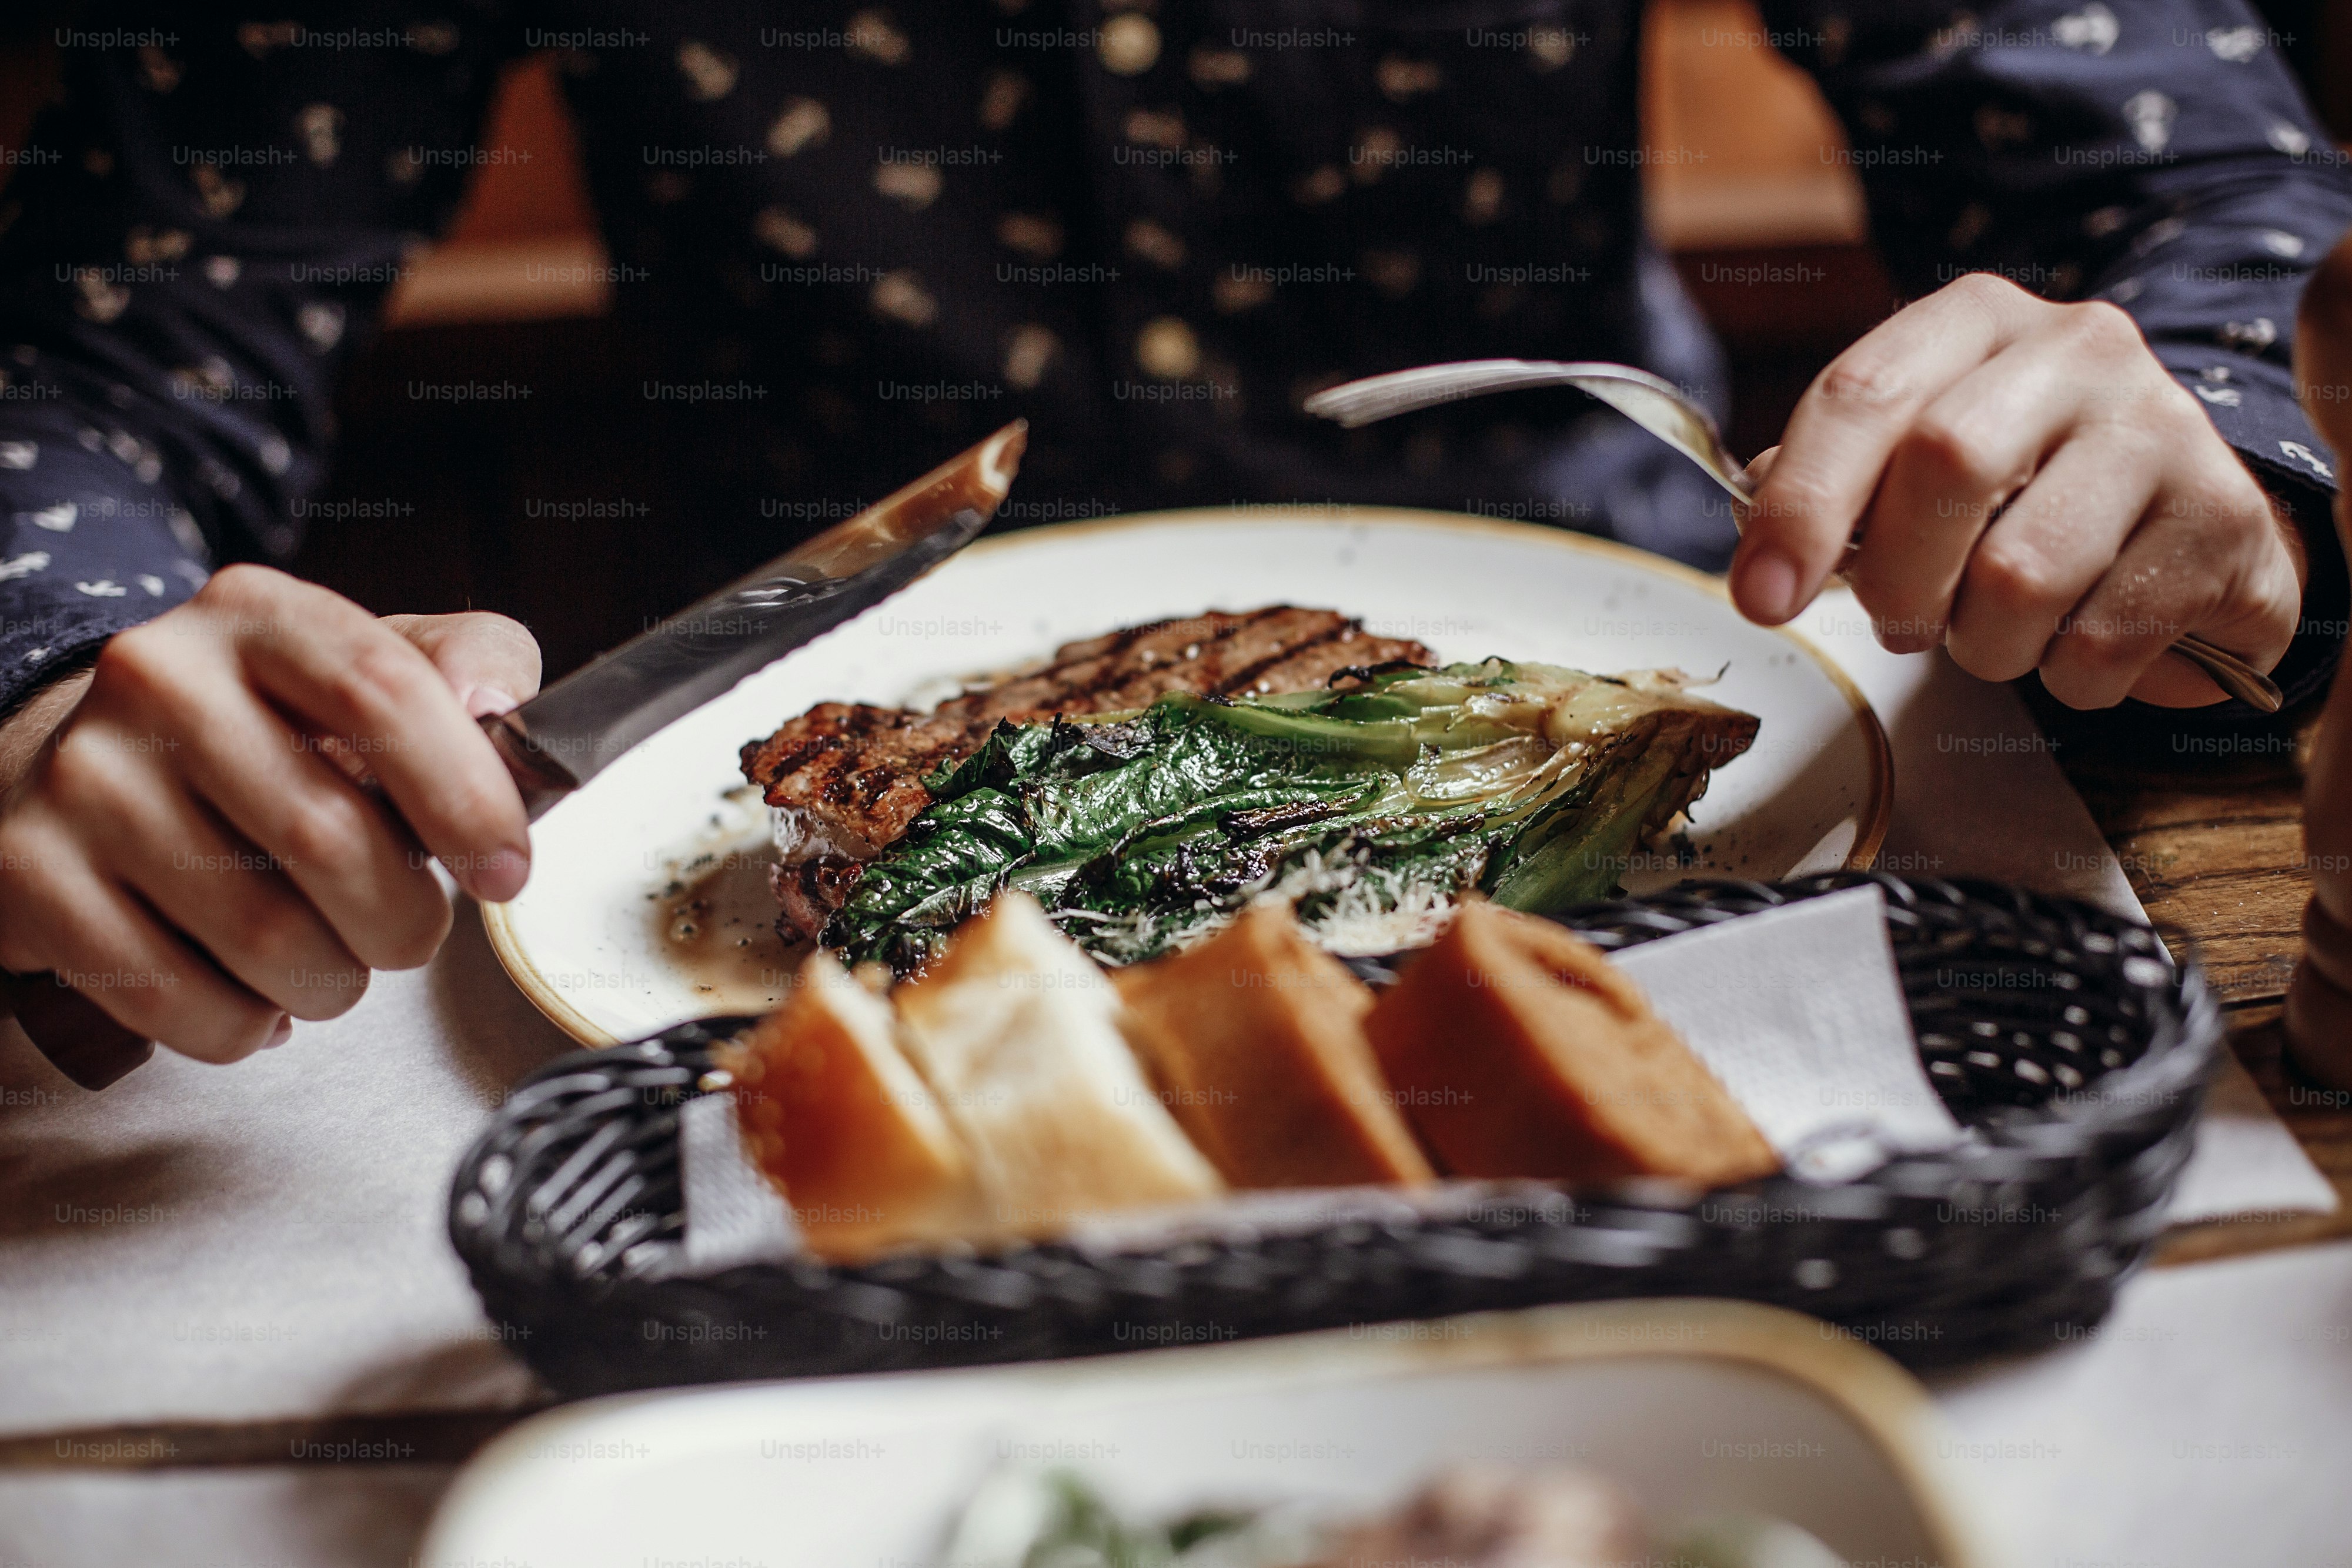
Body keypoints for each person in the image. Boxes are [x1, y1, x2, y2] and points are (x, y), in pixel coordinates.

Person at [1, 1, 2346, 1065]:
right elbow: (86, 362)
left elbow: (2204, 185)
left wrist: (2214, 440)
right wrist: (58, 672)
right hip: (744, 830)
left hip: (1688, 784)